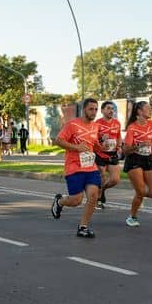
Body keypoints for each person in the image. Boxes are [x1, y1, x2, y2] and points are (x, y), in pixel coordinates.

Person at [50, 98, 102, 238]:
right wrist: (76, 147)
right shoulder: (72, 125)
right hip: (74, 166)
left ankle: (83, 227)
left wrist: (102, 147)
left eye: (96, 109)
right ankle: (60, 201)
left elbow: (94, 145)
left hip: (90, 166)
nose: (94, 112)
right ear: (84, 109)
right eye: (91, 109)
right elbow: (58, 141)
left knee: (93, 196)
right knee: (76, 200)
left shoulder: (95, 126)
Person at [123, 101, 152, 226]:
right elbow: (125, 150)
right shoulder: (132, 127)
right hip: (134, 159)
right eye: (148, 108)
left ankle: (138, 197)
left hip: (149, 159)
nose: (150, 110)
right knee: (140, 192)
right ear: (139, 111)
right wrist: (140, 145)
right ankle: (132, 217)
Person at [95, 101, 123, 209]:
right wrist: (101, 138)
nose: (111, 111)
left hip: (112, 154)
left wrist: (119, 147)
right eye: (108, 108)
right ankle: (98, 200)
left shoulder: (117, 123)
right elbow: (93, 138)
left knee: (115, 180)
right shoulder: (97, 123)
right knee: (101, 176)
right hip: (100, 153)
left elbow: (118, 136)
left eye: (112, 109)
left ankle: (102, 190)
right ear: (102, 110)